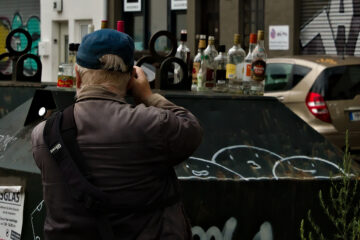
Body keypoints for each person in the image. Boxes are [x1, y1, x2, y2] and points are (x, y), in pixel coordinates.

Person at [31, 29, 203, 240]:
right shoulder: (151, 125)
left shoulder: (43, 136)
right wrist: (149, 97)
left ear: (77, 76)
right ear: (131, 79)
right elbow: (191, 129)